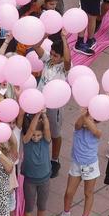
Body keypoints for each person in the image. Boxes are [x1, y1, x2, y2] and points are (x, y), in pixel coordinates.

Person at [54, 110, 101, 216]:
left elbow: (95, 130)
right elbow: (77, 124)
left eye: (92, 118)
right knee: (69, 192)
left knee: (88, 193)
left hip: (90, 165)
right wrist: (86, 114)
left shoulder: (97, 132)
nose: (88, 120)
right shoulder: (79, 128)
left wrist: (88, 115)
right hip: (76, 163)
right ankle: (66, 213)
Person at [36, 35, 71, 176]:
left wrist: (64, 39)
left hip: (53, 107)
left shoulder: (65, 67)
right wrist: (44, 35)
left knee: (55, 133)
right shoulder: (47, 60)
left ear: (62, 57)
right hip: (38, 103)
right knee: (38, 130)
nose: (52, 56)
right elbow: (35, 46)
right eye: (51, 53)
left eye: (56, 55)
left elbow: (68, 60)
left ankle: (55, 160)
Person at [21, 110, 52, 216]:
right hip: (30, 180)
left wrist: (44, 115)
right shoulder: (26, 141)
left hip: (44, 179)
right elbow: (32, 129)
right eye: (33, 134)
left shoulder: (46, 140)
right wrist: (38, 115)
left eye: (38, 135)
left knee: (42, 205)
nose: (35, 137)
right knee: (29, 207)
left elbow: (46, 128)